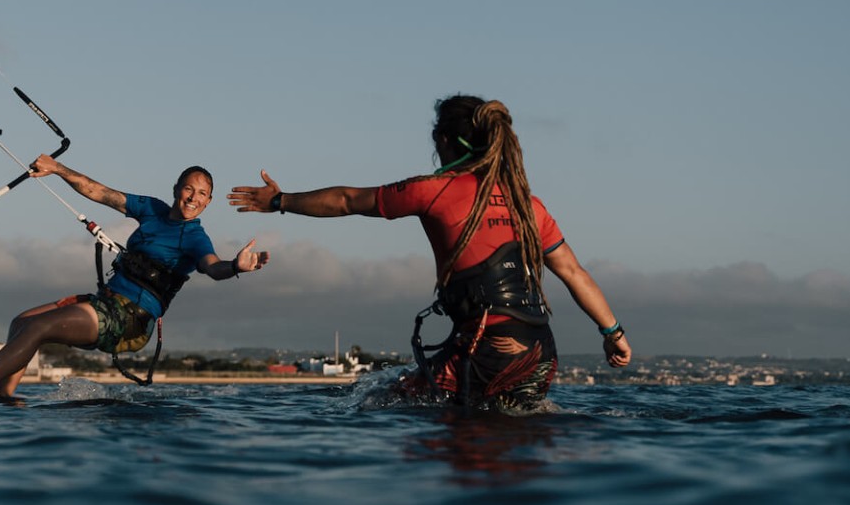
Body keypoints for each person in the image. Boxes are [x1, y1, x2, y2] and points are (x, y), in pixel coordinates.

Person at [227, 95, 630, 408]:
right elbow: (575, 274)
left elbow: (347, 200)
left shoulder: (433, 190)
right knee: (510, 439)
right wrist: (614, 334)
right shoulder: (528, 205)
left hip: (485, 347)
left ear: (444, 140)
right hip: (540, 353)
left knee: (381, 404)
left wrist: (280, 201)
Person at [0, 154, 269, 402]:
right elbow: (99, 192)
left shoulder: (195, 238)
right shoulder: (152, 209)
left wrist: (236, 267)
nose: (194, 197)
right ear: (176, 189)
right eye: (189, 188)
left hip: (130, 318)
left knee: (38, 328)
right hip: (108, 303)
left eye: (202, 194)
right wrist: (58, 168)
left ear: (208, 202)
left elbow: (212, 267)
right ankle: (4, 398)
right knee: (22, 322)